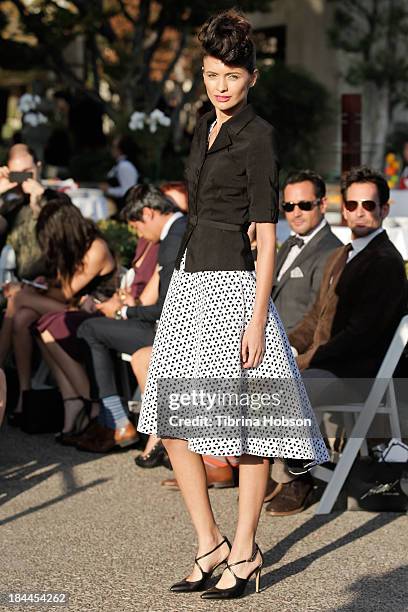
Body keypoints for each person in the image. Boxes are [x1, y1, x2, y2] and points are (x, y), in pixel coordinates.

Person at [136, 10, 328, 600]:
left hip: (238, 289)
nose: (220, 85)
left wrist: (255, 313)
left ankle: (245, 551)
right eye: (211, 74)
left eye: (232, 76)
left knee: (249, 427)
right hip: (192, 280)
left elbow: (267, 235)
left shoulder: (261, 134)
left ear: (252, 79)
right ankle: (209, 543)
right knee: (172, 422)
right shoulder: (203, 125)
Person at [265, 166, 408, 517]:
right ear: (342, 209)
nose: (360, 211)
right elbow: (314, 318)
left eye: (369, 205)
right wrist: (283, 348)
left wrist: (303, 361)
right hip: (332, 365)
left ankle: (301, 477)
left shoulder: (385, 262)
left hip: (359, 376)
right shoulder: (342, 255)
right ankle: (285, 469)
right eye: (352, 204)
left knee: (281, 389)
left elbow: (361, 335)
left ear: (384, 210)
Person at [74, 184, 187, 453]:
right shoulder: (180, 229)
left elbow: (167, 307)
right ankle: (115, 418)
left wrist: (124, 312)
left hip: (176, 332)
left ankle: (116, 419)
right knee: (92, 328)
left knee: (90, 328)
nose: (140, 234)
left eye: (137, 227)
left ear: (148, 213)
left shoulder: (173, 237)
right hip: (171, 325)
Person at [5, 198, 116, 428]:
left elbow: (67, 292)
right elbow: (62, 287)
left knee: (19, 298)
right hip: (73, 308)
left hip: (97, 311)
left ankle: (22, 394)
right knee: (23, 316)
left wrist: (35, 290)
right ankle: (28, 392)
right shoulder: (73, 247)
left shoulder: (96, 248)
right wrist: (44, 283)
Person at [272, 170, 342, 331]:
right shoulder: (288, 242)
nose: (296, 213)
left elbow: (317, 317)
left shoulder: (332, 251)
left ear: (323, 204)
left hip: (294, 347)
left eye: (305, 205)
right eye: (288, 207)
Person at [0, 144, 56, 277]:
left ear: (39, 166)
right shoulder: (10, 205)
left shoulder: (56, 199)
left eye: (27, 171)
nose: (24, 178)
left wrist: (39, 202)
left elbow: (60, 236)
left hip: (49, 278)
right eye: (17, 174)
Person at [100, 135, 139, 210]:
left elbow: (127, 191)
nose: (111, 149)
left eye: (114, 147)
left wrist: (108, 190)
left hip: (123, 208)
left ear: (120, 149)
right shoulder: (120, 164)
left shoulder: (125, 166)